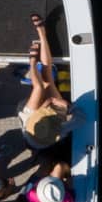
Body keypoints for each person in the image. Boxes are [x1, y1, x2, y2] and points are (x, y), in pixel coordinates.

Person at [19, 15, 70, 150]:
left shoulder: (30, 132)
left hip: (32, 115)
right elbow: (70, 112)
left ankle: (32, 62)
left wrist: (48, 103)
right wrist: (64, 105)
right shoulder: (58, 132)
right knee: (48, 78)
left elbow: (44, 105)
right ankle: (42, 32)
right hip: (53, 115)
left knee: (39, 87)